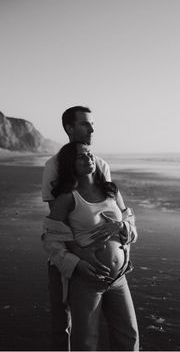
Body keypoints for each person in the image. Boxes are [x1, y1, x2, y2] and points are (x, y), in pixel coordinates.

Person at [41, 106, 132, 350]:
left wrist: (123, 235)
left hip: (113, 272)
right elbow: (59, 224)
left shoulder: (101, 164)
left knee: (124, 333)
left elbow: (119, 213)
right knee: (64, 324)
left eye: (92, 123)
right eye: (84, 124)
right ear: (69, 128)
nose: (92, 128)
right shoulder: (54, 166)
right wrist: (79, 259)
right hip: (75, 262)